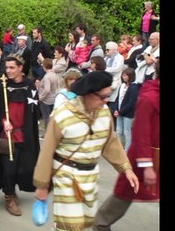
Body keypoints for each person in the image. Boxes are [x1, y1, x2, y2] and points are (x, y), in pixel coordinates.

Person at [32, 71, 139, 231]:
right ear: (88, 94)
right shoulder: (62, 115)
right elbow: (47, 152)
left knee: (84, 223)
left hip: (90, 177)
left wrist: (126, 169)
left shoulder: (104, 113)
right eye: (102, 97)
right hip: (66, 178)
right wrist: (42, 187)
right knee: (69, 226)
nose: (106, 100)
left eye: (108, 95)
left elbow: (111, 142)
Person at [93, 62, 159, 231]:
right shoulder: (149, 98)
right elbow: (141, 133)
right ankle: (101, 222)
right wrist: (148, 166)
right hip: (146, 157)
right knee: (127, 190)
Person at [0, 54, 41, 216]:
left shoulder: (30, 86)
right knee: (8, 168)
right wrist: (3, 121)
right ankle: (9, 197)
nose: (7, 71)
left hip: (25, 134)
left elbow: (34, 110)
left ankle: (13, 190)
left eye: (11, 67)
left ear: (21, 68)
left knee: (22, 167)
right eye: (6, 67)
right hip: (7, 136)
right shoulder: (1, 86)